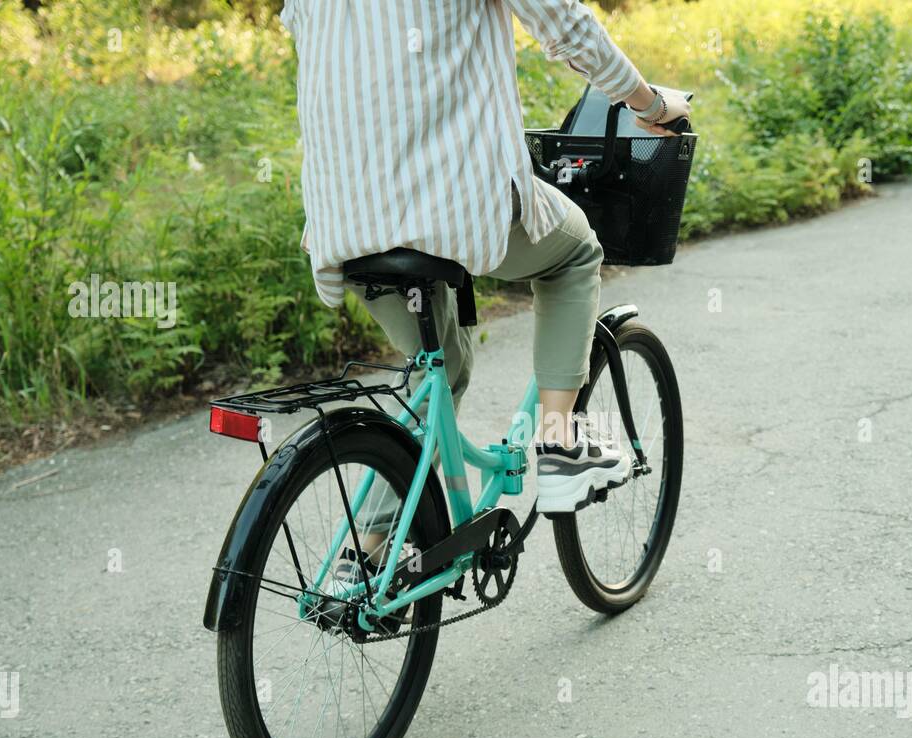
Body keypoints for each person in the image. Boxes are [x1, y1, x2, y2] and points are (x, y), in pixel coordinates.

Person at [280, 0, 690, 532]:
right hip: (452, 206)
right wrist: (651, 105)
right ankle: (560, 441)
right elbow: (566, 24)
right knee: (576, 251)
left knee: (440, 372)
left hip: (346, 222)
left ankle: (370, 557)